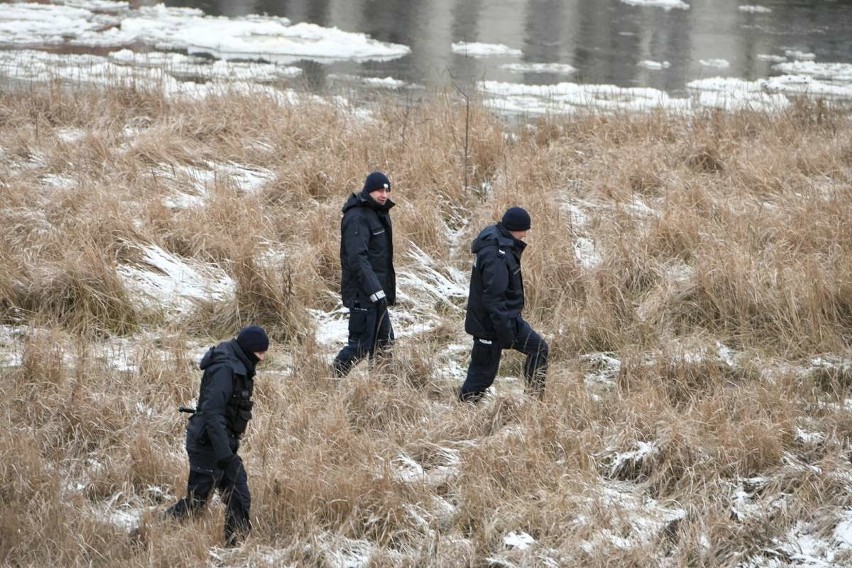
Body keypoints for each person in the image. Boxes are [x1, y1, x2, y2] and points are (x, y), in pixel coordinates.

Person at [165, 325, 270, 547]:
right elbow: (213, 414)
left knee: (238, 492)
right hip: (207, 444)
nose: (262, 359)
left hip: (220, 442)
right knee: (197, 502)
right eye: (260, 353)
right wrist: (225, 456)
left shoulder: (237, 363)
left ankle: (236, 545)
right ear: (250, 350)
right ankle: (156, 528)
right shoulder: (225, 368)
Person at [459, 207, 549, 402]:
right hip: (489, 326)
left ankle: (534, 402)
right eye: (524, 230)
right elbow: (494, 300)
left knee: (538, 348)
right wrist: (505, 334)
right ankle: (464, 411)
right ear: (514, 228)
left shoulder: (500, 242)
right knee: (481, 376)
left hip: (508, 319)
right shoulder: (496, 254)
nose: (525, 235)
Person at [332, 171, 396, 377]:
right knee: (359, 346)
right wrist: (375, 291)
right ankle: (330, 379)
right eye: (379, 190)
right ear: (369, 190)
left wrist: (382, 292)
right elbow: (357, 259)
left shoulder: (378, 213)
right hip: (363, 294)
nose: (384, 194)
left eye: (386, 190)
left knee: (384, 345)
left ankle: (381, 390)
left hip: (378, 294)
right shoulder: (357, 217)